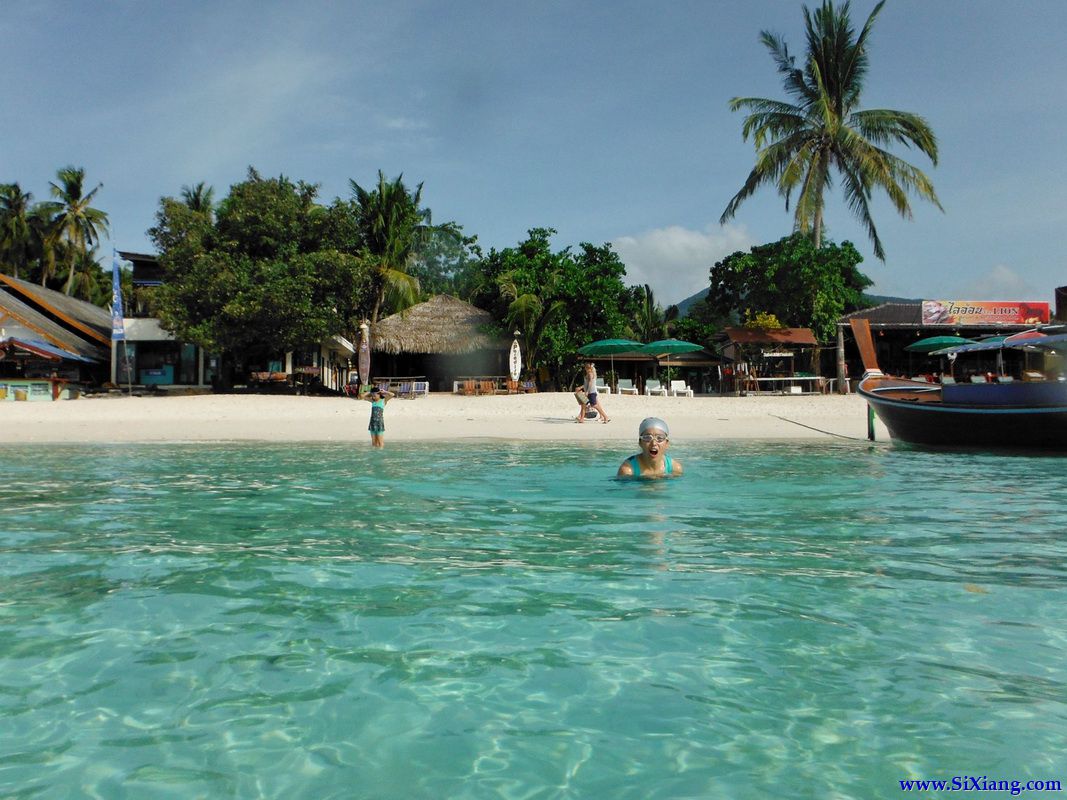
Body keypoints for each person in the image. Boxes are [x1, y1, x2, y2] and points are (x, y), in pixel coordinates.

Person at [617, 417, 683, 478]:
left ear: (667, 443)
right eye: (647, 438)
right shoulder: (628, 470)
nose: (654, 443)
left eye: (659, 438)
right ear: (640, 442)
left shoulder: (675, 469)